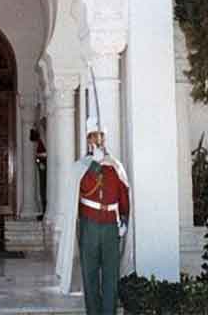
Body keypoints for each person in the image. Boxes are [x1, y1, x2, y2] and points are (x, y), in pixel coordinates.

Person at [56, 118, 131, 315]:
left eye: (101, 137)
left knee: (110, 277)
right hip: (89, 226)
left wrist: (124, 218)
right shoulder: (81, 166)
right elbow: (83, 188)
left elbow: (124, 194)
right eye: (94, 137)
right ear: (88, 140)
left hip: (110, 228)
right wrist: (94, 166)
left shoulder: (115, 166)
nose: (98, 141)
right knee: (90, 277)